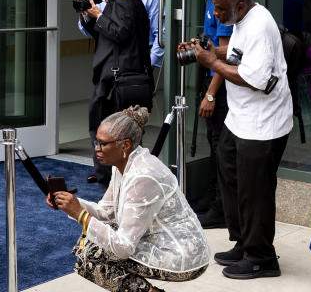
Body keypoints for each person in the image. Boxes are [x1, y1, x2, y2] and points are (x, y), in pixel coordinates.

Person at [189, 0, 293, 279]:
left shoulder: (259, 25)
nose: (216, 15)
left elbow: (255, 79)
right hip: (240, 119)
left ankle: (261, 257)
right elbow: (237, 54)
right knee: (230, 175)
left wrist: (212, 63)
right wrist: (207, 50)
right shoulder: (241, 20)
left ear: (241, 5)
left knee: (255, 191)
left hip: (263, 125)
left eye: (220, 10)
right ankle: (244, 242)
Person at [50, 107, 210, 292]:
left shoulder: (143, 176)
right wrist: (70, 204)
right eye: (96, 142)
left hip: (182, 256)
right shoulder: (122, 163)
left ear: (125, 145)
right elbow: (106, 212)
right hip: (159, 240)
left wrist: (81, 215)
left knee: (92, 256)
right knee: (90, 246)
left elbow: (123, 247)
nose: (96, 149)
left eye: (102, 143)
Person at [177, 0, 235, 229]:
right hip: (211, 77)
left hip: (221, 84)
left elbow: (224, 53)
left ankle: (222, 208)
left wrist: (211, 94)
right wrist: (194, 47)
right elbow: (212, 45)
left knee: (220, 147)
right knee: (214, 147)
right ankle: (213, 198)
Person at [79, 0, 152, 188]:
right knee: (115, 132)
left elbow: (119, 33)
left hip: (116, 80)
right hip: (116, 77)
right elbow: (106, 33)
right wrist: (89, 14)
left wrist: (98, 15)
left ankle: (109, 182)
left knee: (106, 132)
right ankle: (115, 181)